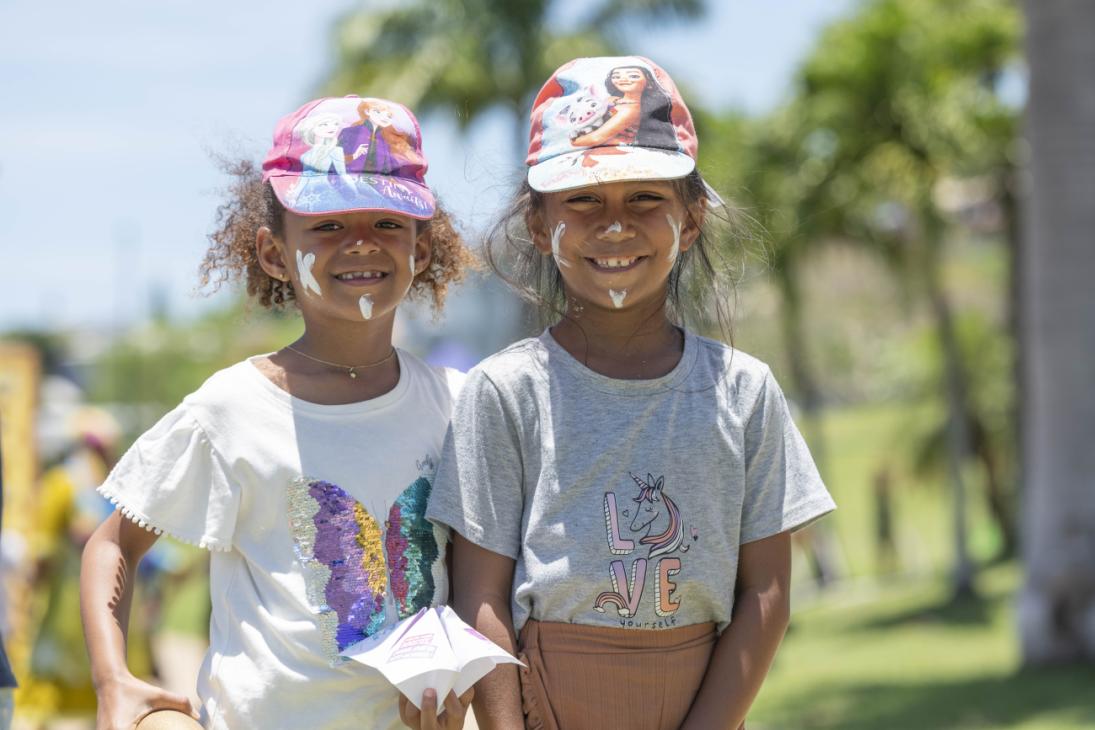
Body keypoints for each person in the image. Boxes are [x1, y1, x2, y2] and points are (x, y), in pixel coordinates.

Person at [427, 56, 837, 730]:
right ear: (538, 225)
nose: (613, 225)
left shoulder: (743, 391)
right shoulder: (505, 392)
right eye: (582, 200)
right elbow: (480, 595)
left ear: (692, 216)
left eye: (644, 198)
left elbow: (766, 589)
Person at [80, 95, 475, 730]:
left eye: (386, 224)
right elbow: (114, 543)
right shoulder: (231, 408)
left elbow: (479, 582)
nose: (360, 244)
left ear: (421, 250)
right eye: (326, 226)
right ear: (273, 253)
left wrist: (458, 686)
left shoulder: (460, 404)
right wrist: (113, 680)